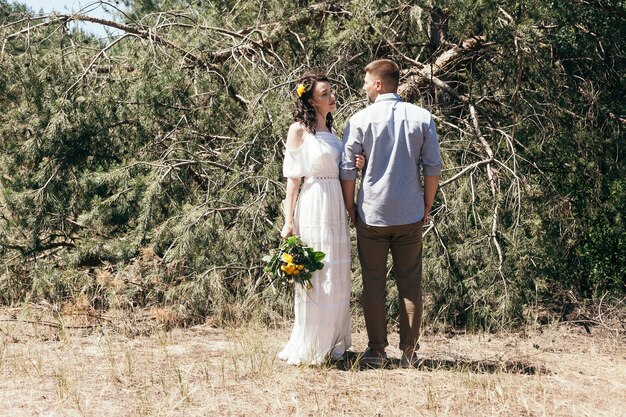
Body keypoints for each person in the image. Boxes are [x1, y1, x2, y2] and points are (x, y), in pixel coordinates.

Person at [340, 59, 442, 368]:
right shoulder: (422, 117)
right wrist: (426, 204)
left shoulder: (359, 120)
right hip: (410, 212)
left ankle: (377, 351)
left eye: (367, 82)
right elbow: (433, 166)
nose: (364, 87)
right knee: (410, 282)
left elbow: (347, 170)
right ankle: (409, 352)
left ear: (380, 84)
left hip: (371, 213)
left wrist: (350, 207)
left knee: (373, 282)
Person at [278, 72, 364, 365]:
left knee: (336, 274)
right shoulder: (299, 130)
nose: (331, 97)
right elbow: (293, 179)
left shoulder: (332, 131)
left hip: (336, 205)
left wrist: (356, 164)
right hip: (314, 200)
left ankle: (331, 344)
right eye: (325, 93)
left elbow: (342, 170)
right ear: (311, 99)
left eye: (331, 92)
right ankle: (312, 344)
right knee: (317, 272)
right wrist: (288, 220)